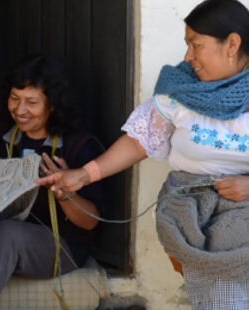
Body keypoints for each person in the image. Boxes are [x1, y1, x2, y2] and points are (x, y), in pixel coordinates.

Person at [37, 0, 249, 308]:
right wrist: (84, 175)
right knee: (222, 282)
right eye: (187, 45)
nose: (188, 57)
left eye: (196, 45)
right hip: (190, 209)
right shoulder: (179, 90)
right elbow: (140, 141)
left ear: (232, 44)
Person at [0, 54, 106, 304]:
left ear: (52, 104)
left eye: (31, 102)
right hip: (4, 238)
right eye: (15, 99)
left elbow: (90, 223)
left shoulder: (78, 146)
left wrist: (64, 193)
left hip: (59, 247)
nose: (20, 110)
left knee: (7, 233)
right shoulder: (5, 136)